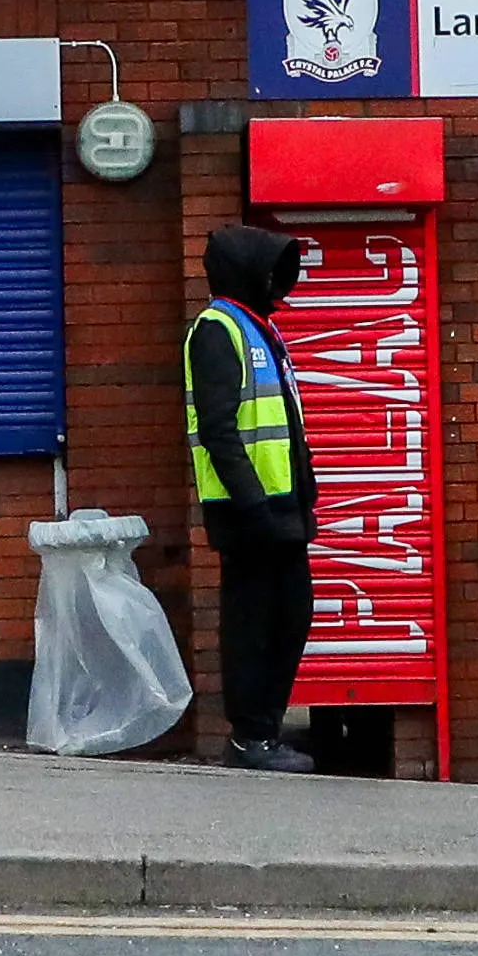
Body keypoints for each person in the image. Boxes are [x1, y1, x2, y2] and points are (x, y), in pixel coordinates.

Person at [186, 225, 318, 772]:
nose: (275, 279)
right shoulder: (217, 329)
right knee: (253, 623)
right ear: (244, 270)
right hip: (250, 512)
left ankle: (264, 729)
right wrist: (253, 505)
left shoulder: (260, 327)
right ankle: (250, 737)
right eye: (268, 268)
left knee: (291, 614)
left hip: (282, 508)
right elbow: (218, 431)